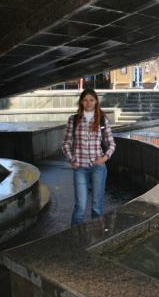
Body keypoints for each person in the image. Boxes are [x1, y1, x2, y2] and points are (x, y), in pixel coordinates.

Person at [62, 88, 116, 226]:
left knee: (97, 205)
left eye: (91, 100)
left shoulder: (102, 120)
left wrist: (104, 159)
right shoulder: (73, 120)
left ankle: (96, 236)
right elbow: (66, 143)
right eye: (85, 100)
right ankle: (75, 237)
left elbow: (111, 144)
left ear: (96, 101)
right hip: (79, 167)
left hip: (98, 167)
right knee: (80, 205)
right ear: (81, 102)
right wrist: (71, 160)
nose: (88, 103)